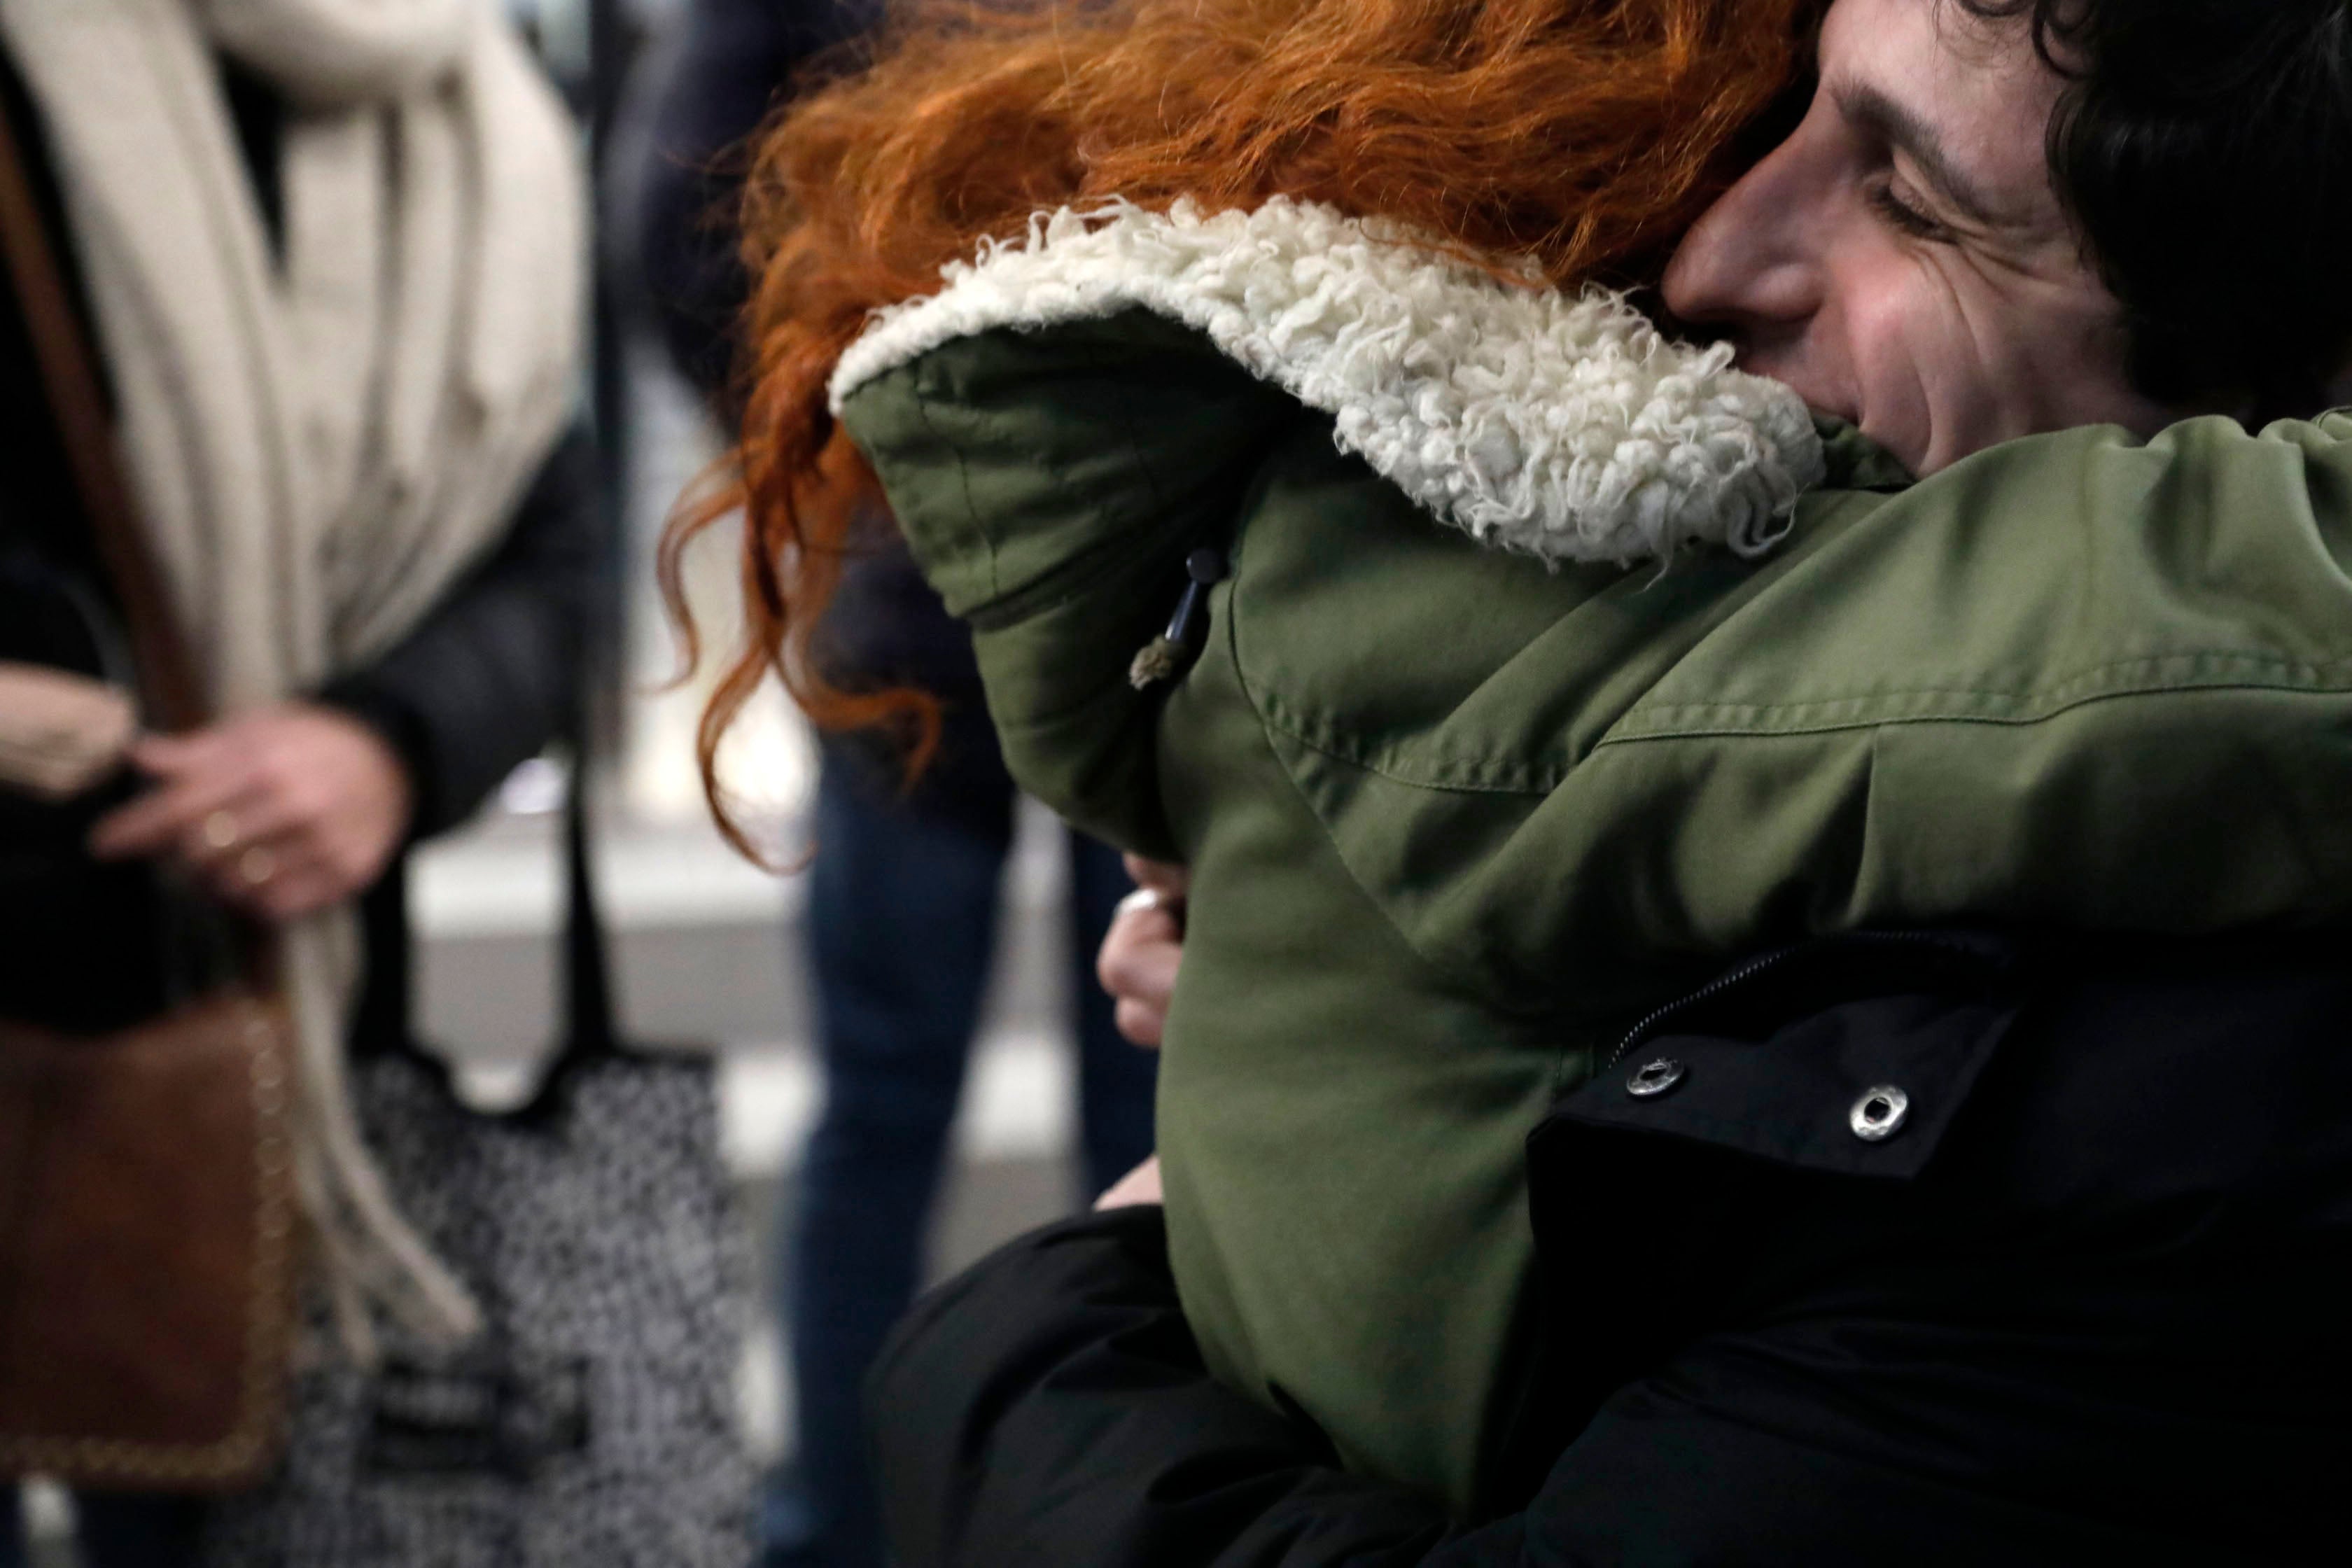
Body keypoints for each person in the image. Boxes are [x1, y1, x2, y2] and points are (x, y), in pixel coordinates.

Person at [685, 0, 2352, 1558]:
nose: (1712, 255)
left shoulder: (2184, 1134)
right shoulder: (1574, 619)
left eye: (1913, 204)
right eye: (1793, 114)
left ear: (2266, 404)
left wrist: (1035, 1329)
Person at [0, 0, 588, 1561]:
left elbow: (555, 547)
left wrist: (389, 742)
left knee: (218, 1504)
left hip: (267, 992)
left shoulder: (467, 86)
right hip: (38, 896)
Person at [631, 3, 1156, 1564]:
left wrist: (832, 430)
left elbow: (676, 215)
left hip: (956, 582)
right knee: (1130, 1101)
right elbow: (675, 223)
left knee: (900, 1112)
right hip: (1123, 581)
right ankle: (1103, 1518)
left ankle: (844, 1533)